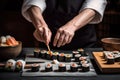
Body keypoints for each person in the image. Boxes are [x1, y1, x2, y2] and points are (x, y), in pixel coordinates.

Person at [22, 0, 107, 50]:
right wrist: (40, 25)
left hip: (84, 42)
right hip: (47, 41)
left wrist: (73, 26)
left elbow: (97, 2)